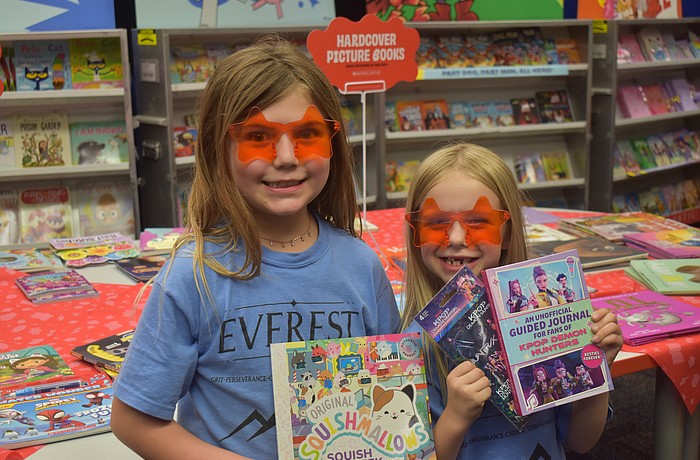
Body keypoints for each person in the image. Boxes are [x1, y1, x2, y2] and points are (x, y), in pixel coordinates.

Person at [111, 36, 401, 459]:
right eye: (259, 136)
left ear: (333, 144)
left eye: (307, 134)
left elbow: (394, 396)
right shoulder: (194, 274)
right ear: (217, 148)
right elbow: (133, 418)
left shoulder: (361, 266)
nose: (286, 156)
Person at [400, 143, 623, 459]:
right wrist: (455, 417)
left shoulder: (543, 315)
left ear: (506, 232)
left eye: (478, 221)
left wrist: (597, 370)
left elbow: (580, 441)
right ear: (415, 231)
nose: (457, 238)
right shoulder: (413, 345)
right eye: (437, 223)